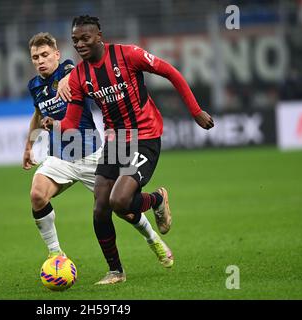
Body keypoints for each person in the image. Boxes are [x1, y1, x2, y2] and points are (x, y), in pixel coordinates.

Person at [42, 16, 214, 284]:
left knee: (120, 201)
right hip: (116, 140)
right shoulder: (78, 76)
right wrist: (54, 125)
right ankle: (115, 271)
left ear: (99, 35)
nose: (79, 44)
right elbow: (73, 123)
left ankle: (156, 200)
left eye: (85, 38)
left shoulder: (128, 54)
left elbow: (170, 72)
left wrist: (195, 111)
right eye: (75, 40)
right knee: (101, 206)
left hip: (145, 136)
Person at [25, 33, 164, 284]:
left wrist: (69, 78)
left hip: (92, 154)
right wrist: (29, 145)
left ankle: (152, 237)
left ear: (57, 54)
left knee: (122, 207)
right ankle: (56, 253)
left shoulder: (70, 70)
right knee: (37, 195)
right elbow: (38, 112)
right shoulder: (35, 85)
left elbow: (75, 72)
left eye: (45, 55)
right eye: (35, 57)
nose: (40, 61)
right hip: (62, 157)